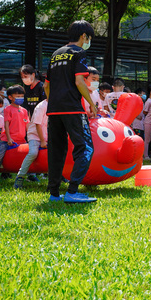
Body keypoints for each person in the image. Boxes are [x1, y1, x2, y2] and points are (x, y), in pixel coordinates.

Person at [43, 20, 97, 203]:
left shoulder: (55, 54)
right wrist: (91, 103)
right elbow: (79, 82)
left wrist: (53, 103)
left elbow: (46, 85)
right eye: (89, 37)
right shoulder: (79, 52)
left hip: (54, 110)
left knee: (56, 150)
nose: (89, 41)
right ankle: (73, 191)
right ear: (84, 36)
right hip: (73, 109)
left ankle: (54, 194)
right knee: (86, 148)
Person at [0, 85, 29, 187]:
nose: (20, 98)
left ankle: (29, 176)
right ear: (10, 97)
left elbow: (27, 124)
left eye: (21, 96)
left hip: (21, 140)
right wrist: (9, 138)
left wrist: (30, 137)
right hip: (6, 141)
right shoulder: (8, 109)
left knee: (28, 157)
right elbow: (6, 124)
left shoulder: (24, 110)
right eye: (17, 96)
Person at [14, 98, 48, 188]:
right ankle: (20, 176)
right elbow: (38, 125)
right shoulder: (41, 106)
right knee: (33, 152)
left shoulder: (58, 105)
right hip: (35, 136)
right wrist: (43, 141)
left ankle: (61, 176)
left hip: (48, 136)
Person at [142, 84, 151, 160]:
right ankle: (146, 155)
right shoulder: (148, 101)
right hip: (148, 122)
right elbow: (145, 111)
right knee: (147, 139)